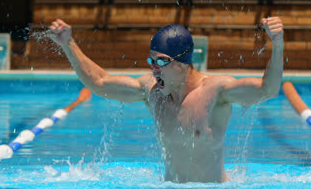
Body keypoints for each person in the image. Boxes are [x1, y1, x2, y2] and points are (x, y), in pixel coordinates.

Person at [48, 17, 284, 183]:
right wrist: (68, 44)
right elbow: (99, 82)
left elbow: (268, 89)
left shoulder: (216, 92)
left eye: (161, 61)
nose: (153, 69)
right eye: (151, 61)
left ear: (182, 64)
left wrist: (278, 44)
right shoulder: (151, 91)